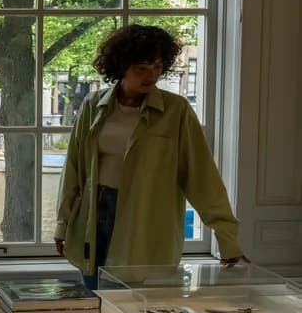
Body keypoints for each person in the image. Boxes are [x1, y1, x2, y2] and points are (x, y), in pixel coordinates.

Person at [54, 24, 249, 289]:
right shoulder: (93, 105)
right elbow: (74, 171)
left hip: (145, 219)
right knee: (94, 300)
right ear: (122, 65)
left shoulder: (175, 111)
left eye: (157, 67)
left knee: (136, 306)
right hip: (93, 216)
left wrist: (227, 239)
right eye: (142, 68)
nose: (151, 76)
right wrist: (62, 225)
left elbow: (202, 178)